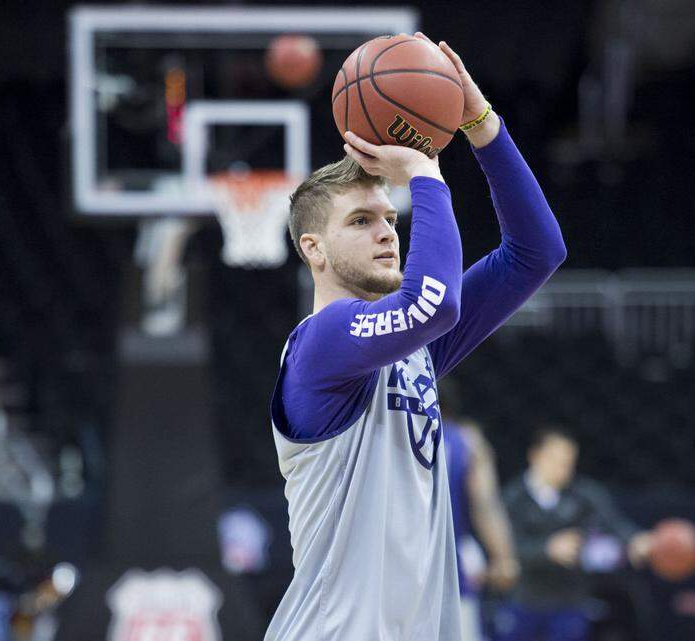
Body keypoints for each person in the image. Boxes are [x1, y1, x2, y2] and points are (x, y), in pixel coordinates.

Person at [264, 31, 566, 641]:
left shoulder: (412, 351)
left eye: (388, 217)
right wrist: (426, 172)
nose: (387, 232)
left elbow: (537, 252)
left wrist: (480, 123)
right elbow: (432, 305)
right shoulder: (320, 344)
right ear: (312, 249)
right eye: (361, 220)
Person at [498, 427, 653, 641]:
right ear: (535, 455)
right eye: (555, 460)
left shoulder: (584, 496)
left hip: (570, 602)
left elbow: (614, 524)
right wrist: (547, 549)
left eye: (568, 462)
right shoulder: (513, 498)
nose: (563, 469)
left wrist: (635, 539)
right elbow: (505, 547)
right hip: (526, 600)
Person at [443, 415, 520, 641]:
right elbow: (484, 503)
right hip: (449, 570)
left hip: (382, 567)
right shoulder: (466, 439)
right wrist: (504, 558)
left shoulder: (379, 424)